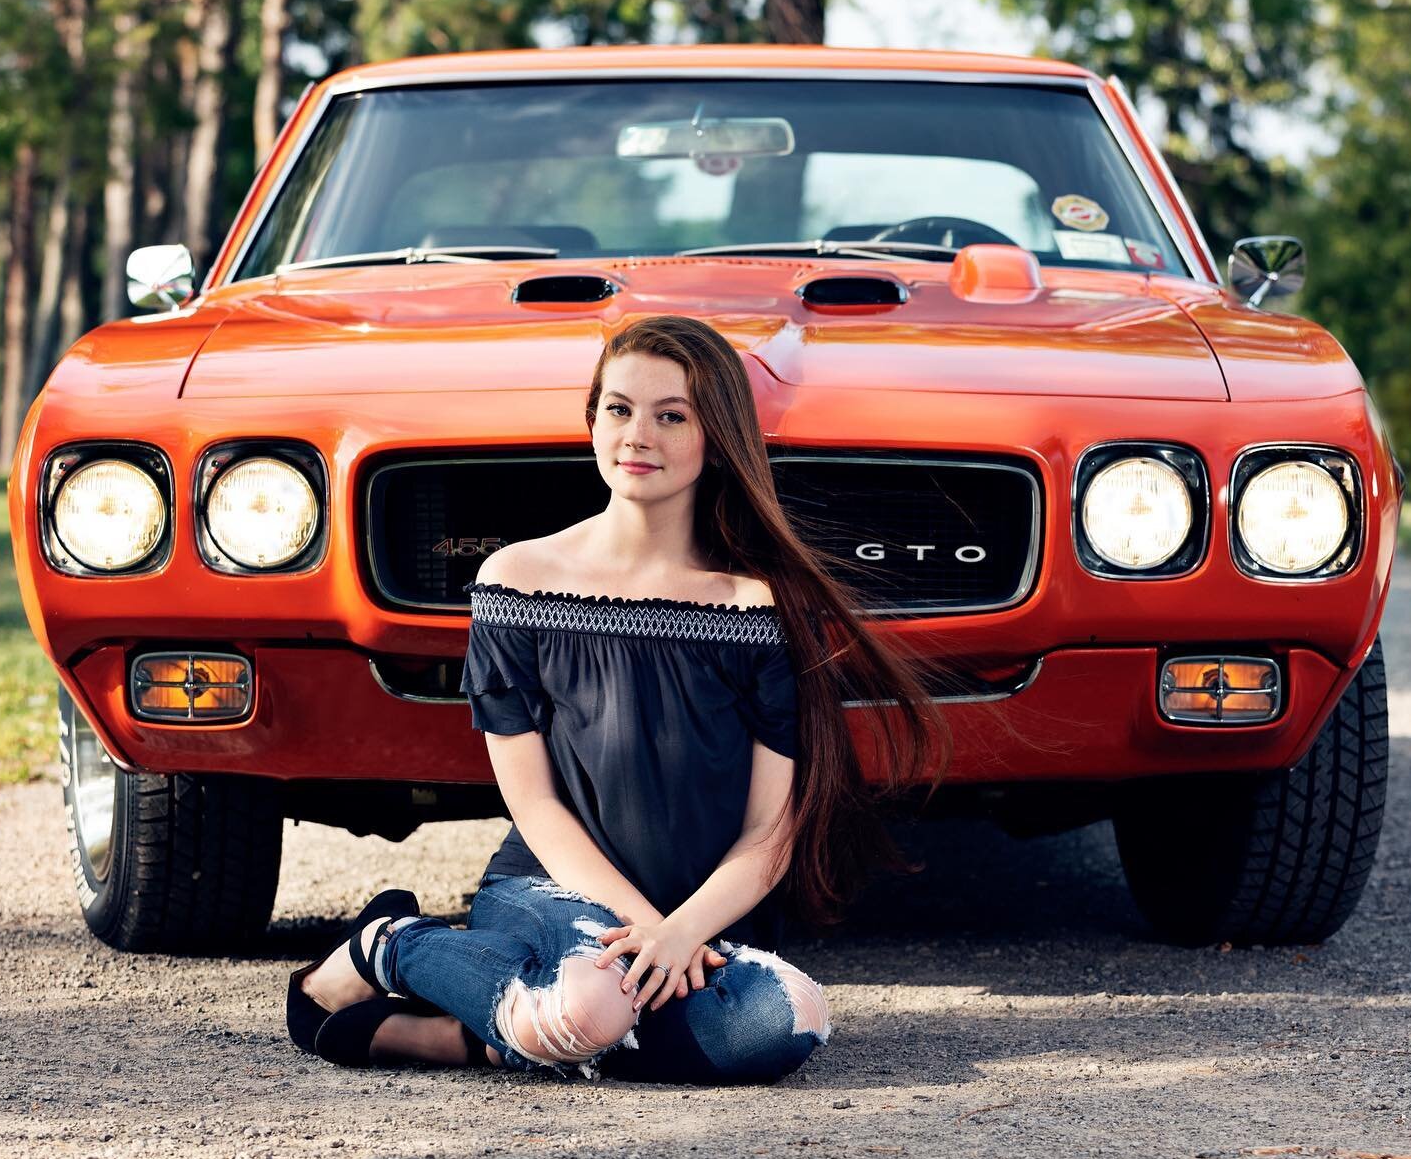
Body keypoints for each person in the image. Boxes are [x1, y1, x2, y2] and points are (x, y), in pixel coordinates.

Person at [286, 315, 953, 1084]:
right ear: (593, 419)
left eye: (672, 415)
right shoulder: (519, 580)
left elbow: (770, 833)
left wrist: (680, 932)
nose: (639, 435)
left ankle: (483, 1038)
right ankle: (390, 944)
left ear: (718, 437)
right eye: (619, 409)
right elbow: (535, 807)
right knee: (593, 1006)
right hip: (552, 889)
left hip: (705, 919)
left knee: (780, 1021)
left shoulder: (760, 607)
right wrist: (642, 926)